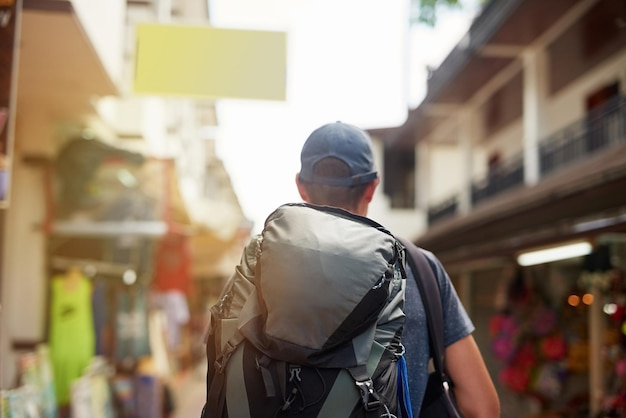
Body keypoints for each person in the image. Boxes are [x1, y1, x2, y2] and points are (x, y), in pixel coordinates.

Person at [294, 121, 500, 417]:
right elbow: (484, 408)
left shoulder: (262, 273)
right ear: (372, 187)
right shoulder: (420, 267)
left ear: (301, 186)